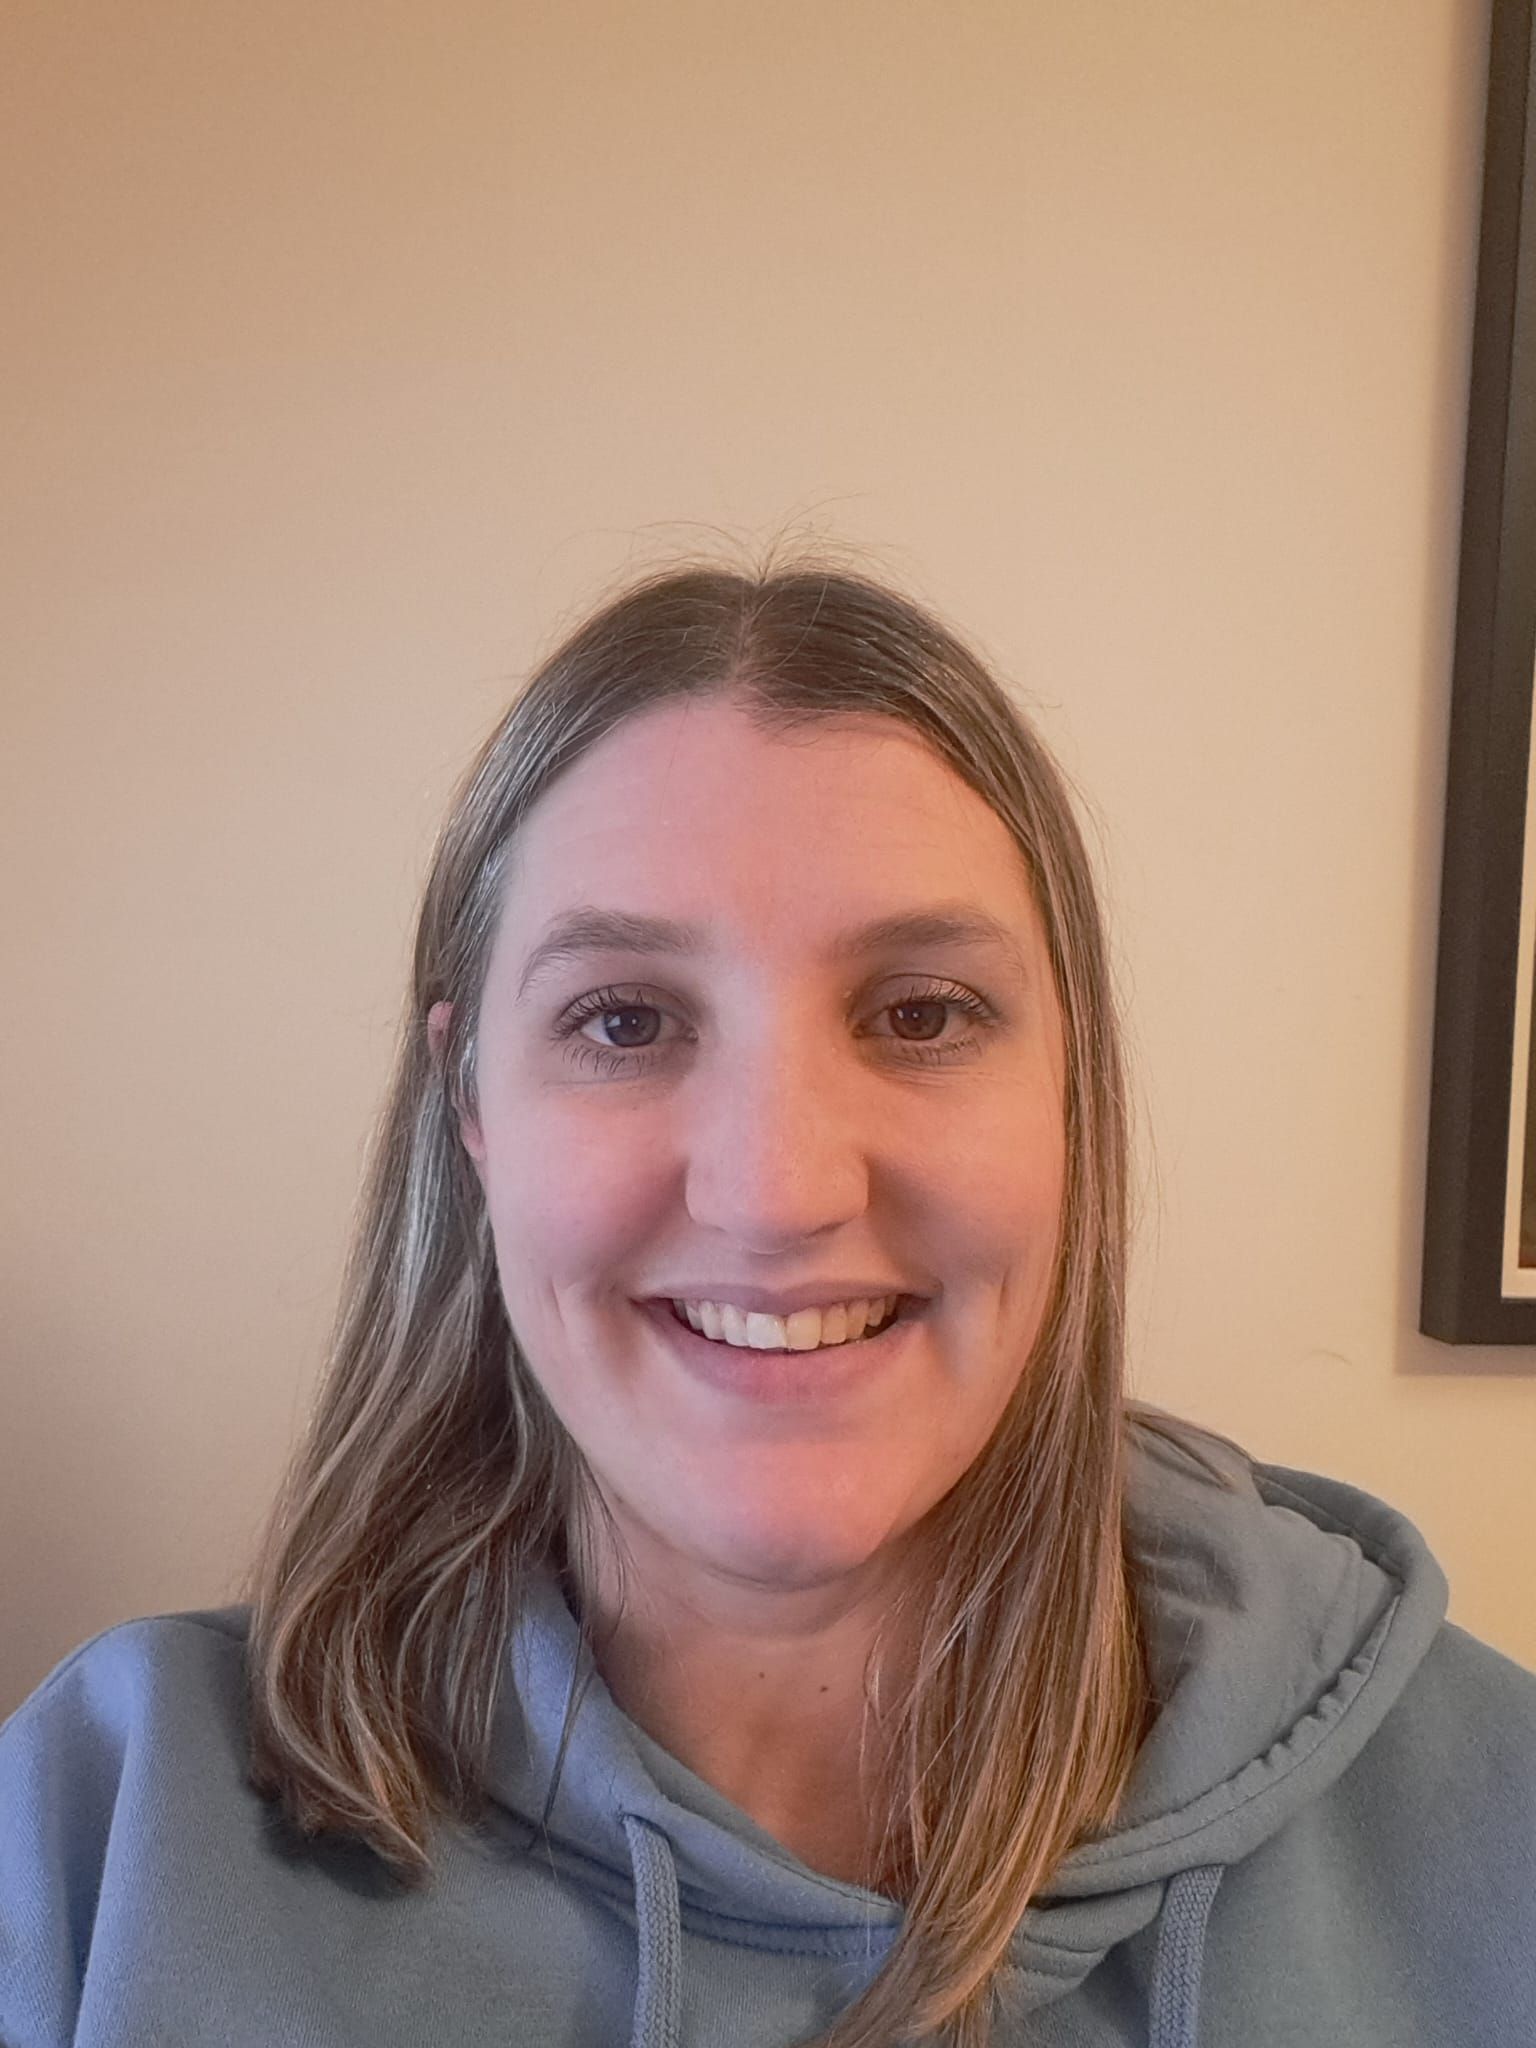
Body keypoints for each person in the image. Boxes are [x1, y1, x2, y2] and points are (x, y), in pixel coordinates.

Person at [2, 557, 1533, 2048]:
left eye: (921, 1014)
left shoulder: (1493, 1830)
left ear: (1072, 1093)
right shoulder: (102, 1835)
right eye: (623, 1020)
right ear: (469, 1102)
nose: (776, 1188)